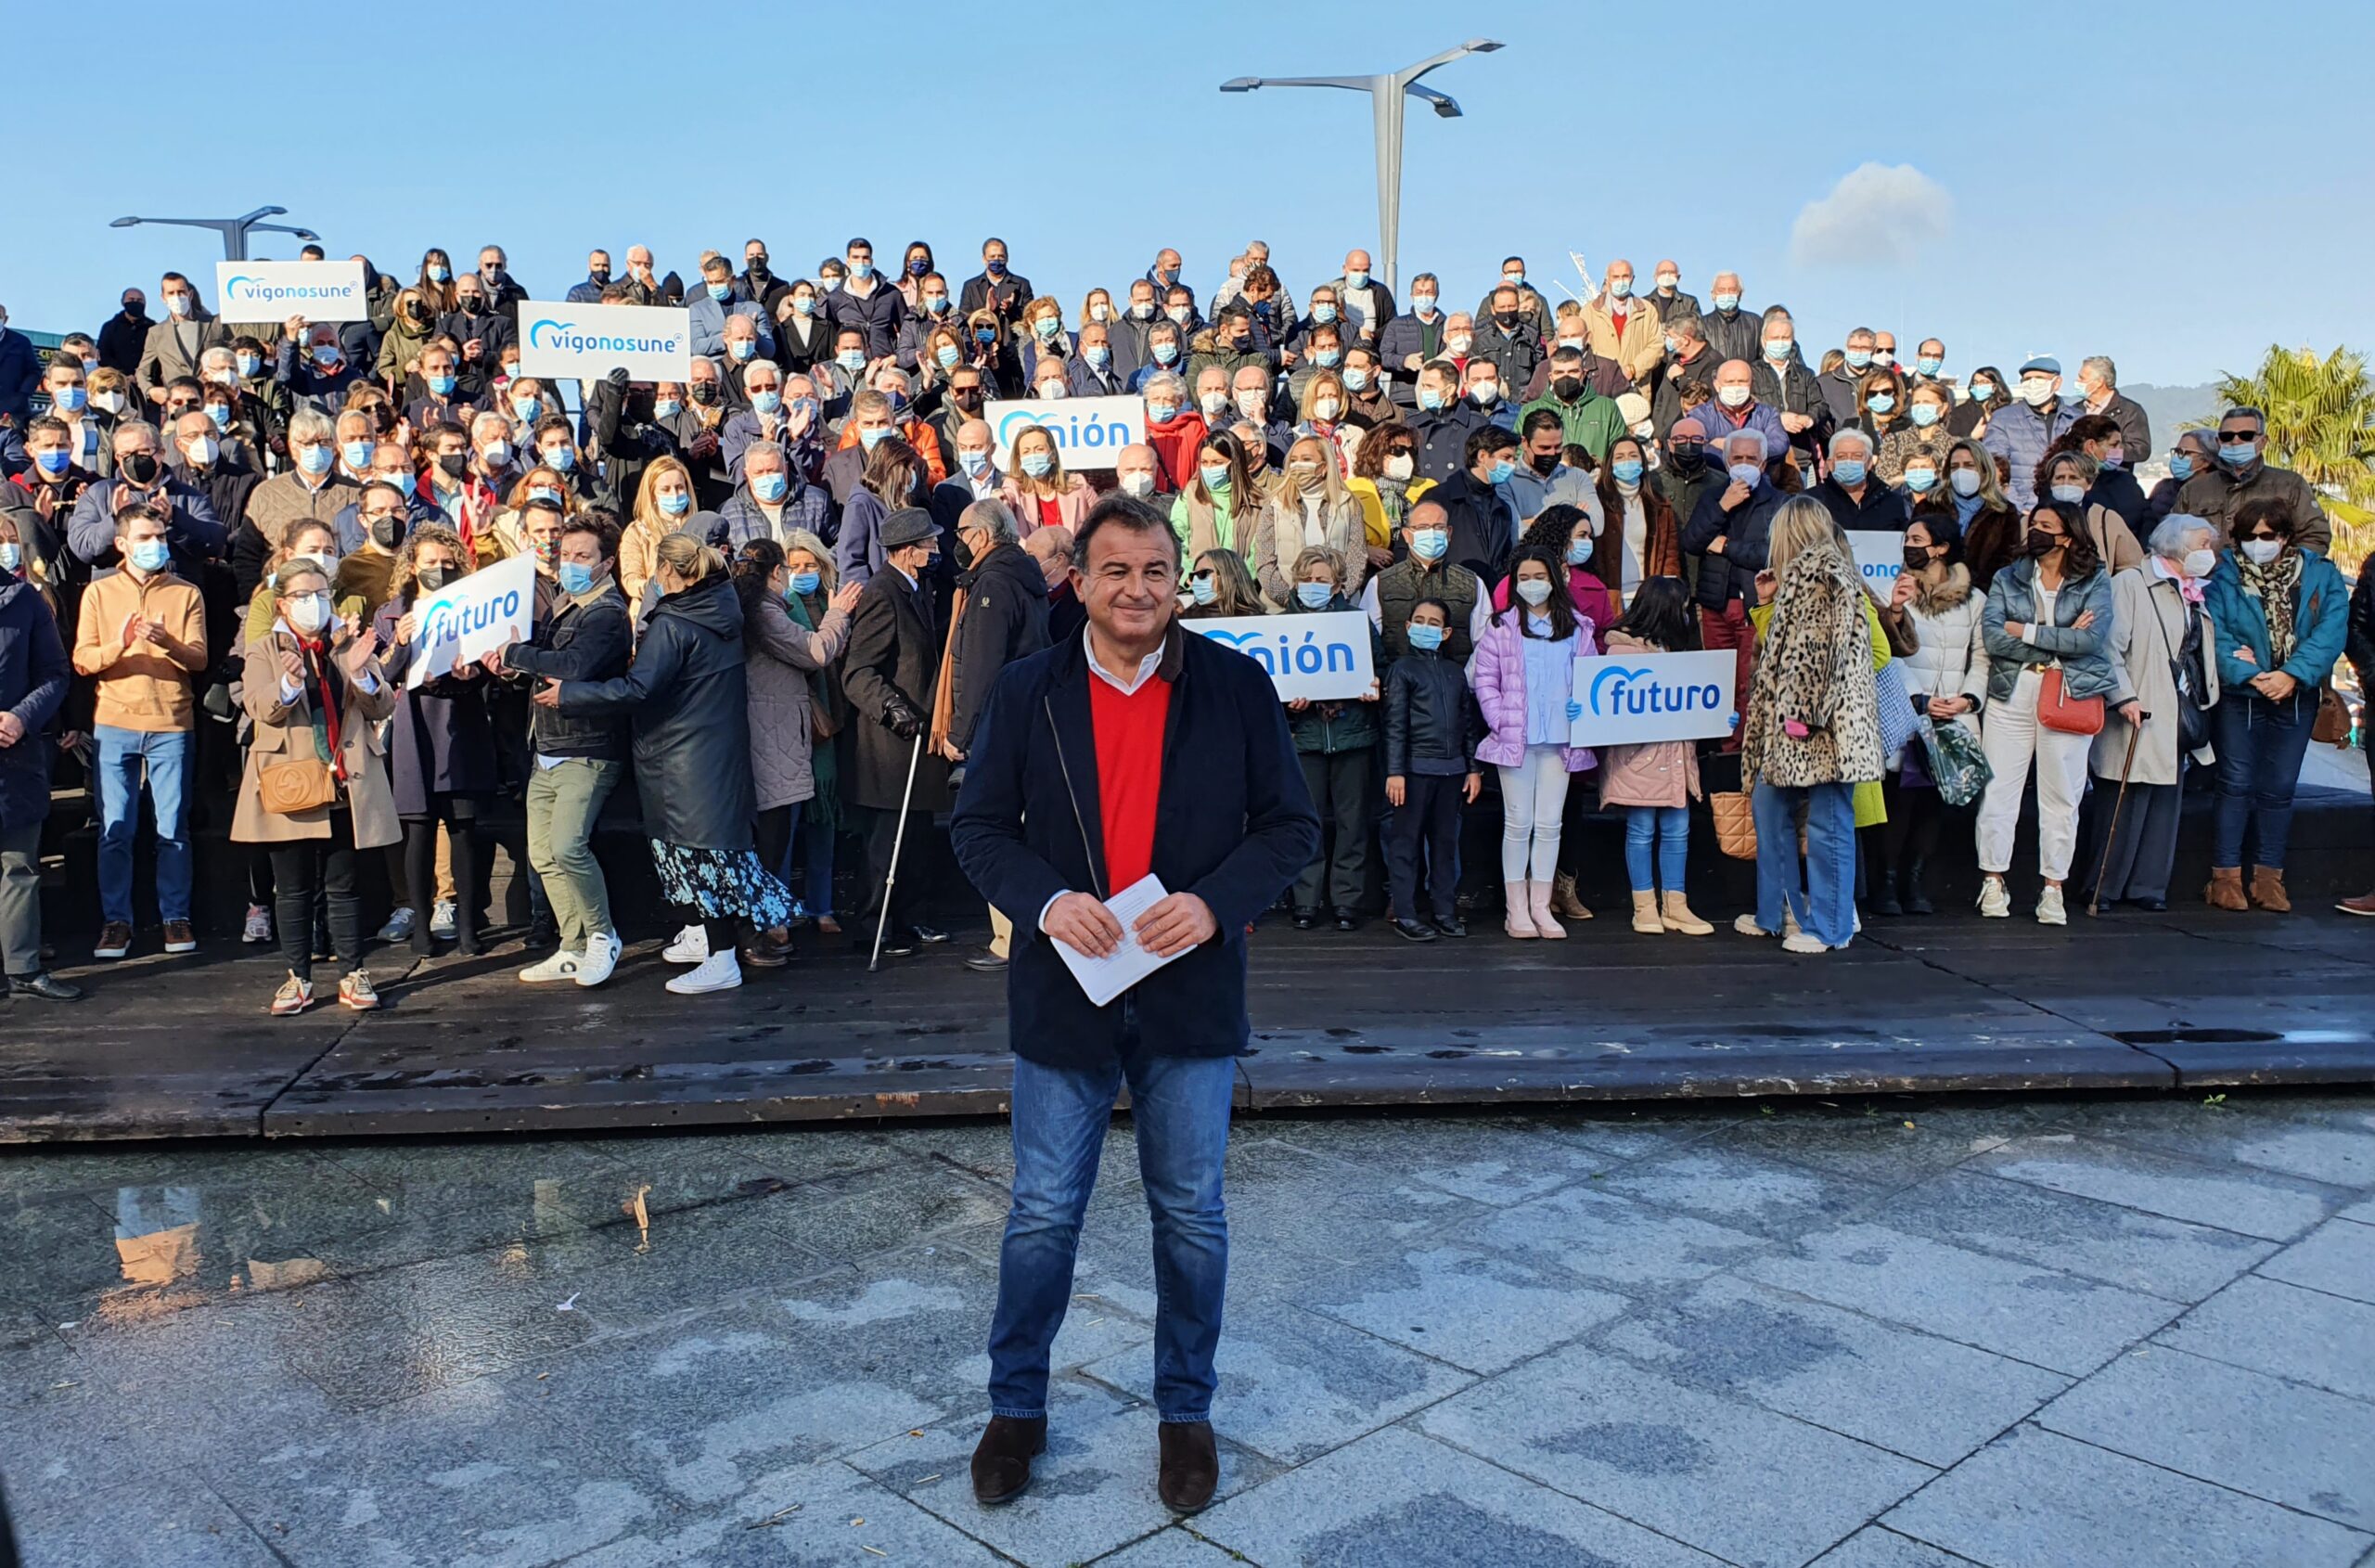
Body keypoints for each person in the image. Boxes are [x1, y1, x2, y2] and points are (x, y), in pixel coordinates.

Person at [949, 491, 1316, 1512]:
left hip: (1189, 994)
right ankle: (1016, 1406)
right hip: (1066, 993)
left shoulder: (1236, 686)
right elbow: (976, 829)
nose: (1137, 589)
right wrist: (1047, 899)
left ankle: (1184, 1414)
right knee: (1038, 1216)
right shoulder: (1029, 690)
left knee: (1191, 1217)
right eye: (1115, 570)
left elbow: (1290, 829)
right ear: (1079, 579)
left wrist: (1212, 905)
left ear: (1177, 580)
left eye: (1156, 571)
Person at [540, 532, 792, 993]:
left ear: (667, 573)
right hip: (710, 753)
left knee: (701, 857)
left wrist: (570, 694)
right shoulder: (721, 609)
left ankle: (721, 959)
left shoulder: (674, 624)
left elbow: (638, 689)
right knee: (703, 854)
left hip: (684, 758)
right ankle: (701, 937)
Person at [235, 559, 398, 1015]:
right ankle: (298, 977)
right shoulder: (265, 648)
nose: (315, 603)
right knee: (293, 888)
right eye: (304, 596)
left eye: (322, 594)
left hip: (345, 779)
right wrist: (288, 682)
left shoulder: (347, 642)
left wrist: (363, 673)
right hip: (291, 780)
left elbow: (382, 704)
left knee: (344, 885)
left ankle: (353, 972)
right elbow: (259, 707)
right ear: (283, 603)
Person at [481, 512, 635, 984]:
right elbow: (547, 665)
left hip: (586, 750)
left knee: (569, 846)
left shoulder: (606, 613)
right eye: (566, 554)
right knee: (543, 853)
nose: (570, 562)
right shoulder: (566, 605)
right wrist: (513, 669)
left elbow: (575, 665)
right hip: (546, 747)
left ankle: (604, 936)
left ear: (606, 563)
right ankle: (573, 943)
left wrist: (513, 654)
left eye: (582, 556)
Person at [1737, 499, 1883, 953]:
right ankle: (1780, 913)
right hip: (1796, 723)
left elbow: (1817, 658)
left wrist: (1803, 716)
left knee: (1828, 823)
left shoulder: (1821, 579)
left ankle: (1829, 927)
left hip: (1819, 725)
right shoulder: (1802, 580)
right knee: (1773, 806)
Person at [72, 502, 208, 959]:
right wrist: (122, 643)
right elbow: (83, 660)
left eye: (160, 536)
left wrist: (166, 641)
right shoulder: (99, 593)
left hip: (171, 721)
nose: (155, 545)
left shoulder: (186, 592)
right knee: (117, 829)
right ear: (122, 544)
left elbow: (199, 659)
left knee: (172, 827)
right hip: (114, 723)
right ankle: (117, 921)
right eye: (145, 538)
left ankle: (175, 916)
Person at [2202, 495, 2348, 913]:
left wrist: (2292, 674)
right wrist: (2251, 676)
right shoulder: (2221, 575)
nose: (2257, 543)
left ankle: (2269, 879)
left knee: (2280, 789)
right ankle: (2225, 878)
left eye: (2267, 535)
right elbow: (2215, 632)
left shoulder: (2321, 575)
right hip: (2241, 697)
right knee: (2234, 784)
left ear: (2285, 537)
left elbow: (2331, 631)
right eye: (2248, 536)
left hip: (2296, 696)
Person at [1976, 501, 2115, 924]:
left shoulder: (2094, 579)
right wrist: (2060, 638)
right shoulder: (2007, 577)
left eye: (2045, 526)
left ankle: (2053, 887)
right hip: (2012, 692)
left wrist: (2030, 631)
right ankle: (1993, 880)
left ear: (2068, 536)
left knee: (2062, 796)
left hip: (2068, 693)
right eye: (2033, 524)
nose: (2034, 531)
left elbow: (2092, 640)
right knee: (1999, 791)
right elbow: (1996, 639)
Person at [933, 500, 1052, 974]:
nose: (956, 543)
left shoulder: (993, 584)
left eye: (961, 532)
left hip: (999, 728)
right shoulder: (1021, 576)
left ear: (981, 536)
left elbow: (981, 665)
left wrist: (961, 732)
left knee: (999, 831)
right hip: (1027, 719)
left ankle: (1009, 936)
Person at [2079, 515, 2221, 912]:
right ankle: (2102, 888)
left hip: (2176, 712)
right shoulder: (2131, 584)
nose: (2208, 553)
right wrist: (2123, 697)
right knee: (2123, 802)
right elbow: (2109, 648)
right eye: (2202, 545)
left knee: (2164, 801)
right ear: (2175, 547)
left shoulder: (2192, 591)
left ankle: (2148, 885)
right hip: (2138, 709)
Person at [730, 538, 860, 968]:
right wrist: (839, 612)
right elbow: (816, 651)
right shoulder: (766, 614)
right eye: (787, 569)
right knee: (772, 840)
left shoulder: (753, 611)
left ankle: (768, 925)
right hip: (776, 738)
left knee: (774, 837)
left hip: (773, 737)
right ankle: (763, 931)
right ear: (775, 574)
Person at [370, 526, 496, 958]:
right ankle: (420, 926)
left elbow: (488, 665)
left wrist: (472, 675)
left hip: (461, 721)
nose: (439, 570)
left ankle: (465, 927)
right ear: (411, 567)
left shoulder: (473, 607)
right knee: (418, 831)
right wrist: (402, 643)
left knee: (463, 828)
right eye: (430, 564)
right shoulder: (391, 613)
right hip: (414, 725)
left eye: (446, 563)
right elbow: (382, 676)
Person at [841, 508, 952, 956]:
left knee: (918, 836)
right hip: (891, 743)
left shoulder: (917, 589)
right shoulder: (883, 594)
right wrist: (890, 707)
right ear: (909, 553)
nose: (936, 551)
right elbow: (857, 670)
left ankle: (912, 918)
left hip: (920, 738)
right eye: (930, 545)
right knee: (886, 840)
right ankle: (875, 925)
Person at [1470, 546, 1595, 938]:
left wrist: (1583, 710)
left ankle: (1542, 907)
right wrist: (1498, 716)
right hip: (1516, 741)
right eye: (1523, 578)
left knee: (1550, 824)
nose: (1531, 585)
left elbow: (1592, 677)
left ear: (1554, 579)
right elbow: (1484, 679)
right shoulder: (1500, 626)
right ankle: (1516, 910)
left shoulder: (1578, 627)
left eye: (1538, 577)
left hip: (1561, 739)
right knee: (1518, 823)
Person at [1875, 514, 1987, 915]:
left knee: (1934, 803)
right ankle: (1886, 883)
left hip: (1952, 714)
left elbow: (1983, 657)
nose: (1909, 545)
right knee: (1900, 801)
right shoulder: (1895, 590)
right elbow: (1887, 652)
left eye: (1917, 538)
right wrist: (1896, 609)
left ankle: (1916, 880)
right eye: (1907, 538)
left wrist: (1968, 699)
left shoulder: (1974, 600)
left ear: (1940, 548)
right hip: (1909, 712)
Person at [1598, 578, 1714, 936]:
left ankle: (1676, 904)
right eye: (1681, 607)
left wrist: (1715, 713)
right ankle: (1644, 906)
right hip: (1639, 760)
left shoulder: (1677, 650)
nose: (1686, 615)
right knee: (1641, 830)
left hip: (1677, 756)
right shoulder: (1622, 653)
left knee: (1679, 830)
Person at [1279, 546, 1379, 932]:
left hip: (1352, 736)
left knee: (1353, 824)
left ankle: (1347, 903)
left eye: (1322, 580)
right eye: (1308, 579)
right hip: (1303, 739)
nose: (1314, 586)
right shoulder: (1281, 625)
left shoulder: (1357, 623)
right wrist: (1291, 705)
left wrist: (1373, 688)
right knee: (1308, 822)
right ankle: (1305, 901)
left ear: (1338, 585)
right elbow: (1268, 689)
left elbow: (1378, 668)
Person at [0, 527, 76, 1001]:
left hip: (15, 754)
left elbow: (54, 673)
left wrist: (21, 717)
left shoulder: (24, 600)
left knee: (18, 867)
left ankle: (23, 969)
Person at [1381, 598, 1482, 942]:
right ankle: (1406, 913)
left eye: (1434, 622)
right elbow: (1394, 724)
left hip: (1452, 773)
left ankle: (1444, 910)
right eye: (1419, 620)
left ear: (1447, 632)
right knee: (1405, 844)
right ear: (1408, 627)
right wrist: (1395, 771)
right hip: (1413, 771)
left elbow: (1468, 725)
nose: (1426, 627)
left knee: (1444, 844)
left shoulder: (1455, 673)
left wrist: (1473, 769)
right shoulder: (1402, 669)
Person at [1682, 429, 1787, 746]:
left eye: (1750, 459)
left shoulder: (1780, 503)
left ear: (1764, 463)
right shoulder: (1713, 498)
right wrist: (1722, 508)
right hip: (1715, 605)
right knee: (1717, 682)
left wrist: (1726, 546)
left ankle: (1741, 750)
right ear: (1727, 463)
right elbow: (1692, 542)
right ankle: (1718, 747)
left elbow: (1770, 553)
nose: (1743, 464)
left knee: (1747, 682)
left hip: (1754, 607)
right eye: (1737, 458)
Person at [2175, 405, 2332, 555]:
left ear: (2263, 441)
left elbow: (2316, 536)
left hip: (2271, 582)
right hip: (2208, 580)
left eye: (2246, 435)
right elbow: (2172, 537)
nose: (2236, 441)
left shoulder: (2290, 485)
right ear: (2218, 442)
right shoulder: (2193, 489)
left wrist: (2284, 570)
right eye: (2227, 436)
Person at [1251, 436, 1367, 607]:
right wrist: (1290, 600)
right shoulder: (1274, 504)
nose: (1298, 466)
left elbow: (1357, 558)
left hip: (1337, 607)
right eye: (1294, 460)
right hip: (1282, 609)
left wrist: (1337, 595)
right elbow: (1264, 559)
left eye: (1306, 459)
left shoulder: (1348, 504)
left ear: (1324, 467)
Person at [1982, 354, 2081, 509]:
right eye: (2027, 379)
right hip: (2023, 510)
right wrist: (2017, 507)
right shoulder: (2003, 418)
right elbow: (1994, 467)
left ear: (2057, 383)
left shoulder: (2076, 419)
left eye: (2039, 378)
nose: (2032, 384)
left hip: (2069, 509)